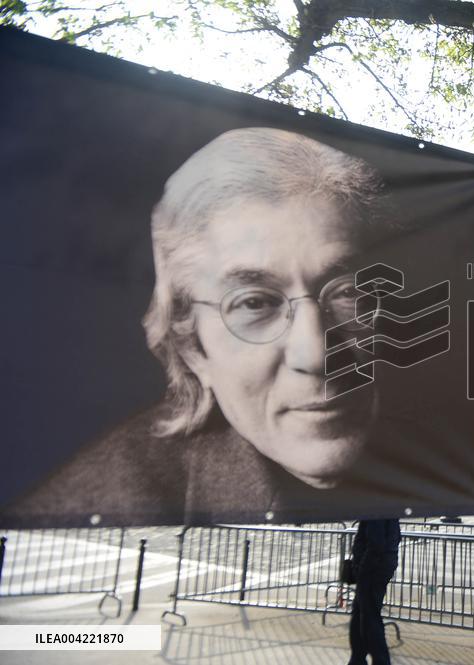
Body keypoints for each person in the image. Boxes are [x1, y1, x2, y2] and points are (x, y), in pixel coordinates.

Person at [2, 127, 387, 526]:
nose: (317, 354)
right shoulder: (112, 497)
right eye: (254, 303)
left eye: (348, 292)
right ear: (192, 346)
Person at [349, 518, 401, 665]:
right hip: (378, 566)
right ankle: (358, 658)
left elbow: (376, 544)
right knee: (361, 614)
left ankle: (379, 660)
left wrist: (361, 568)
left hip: (373, 569)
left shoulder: (377, 510)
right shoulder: (385, 507)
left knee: (369, 618)